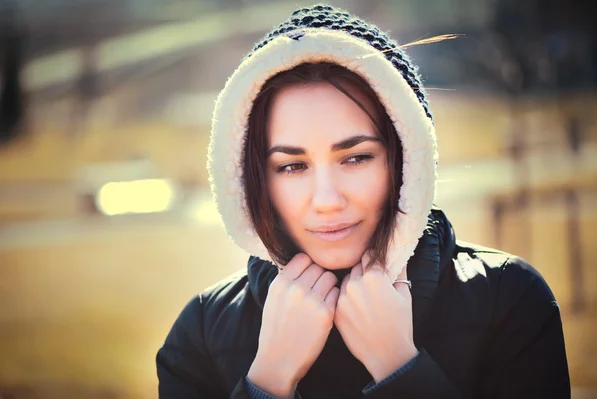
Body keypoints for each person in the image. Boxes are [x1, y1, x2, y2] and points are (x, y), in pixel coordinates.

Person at [156, 4, 570, 398]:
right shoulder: (202, 334)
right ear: (252, 179)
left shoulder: (509, 299)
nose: (327, 200)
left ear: (406, 158)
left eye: (356, 158)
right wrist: (268, 379)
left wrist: (399, 366)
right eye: (292, 166)